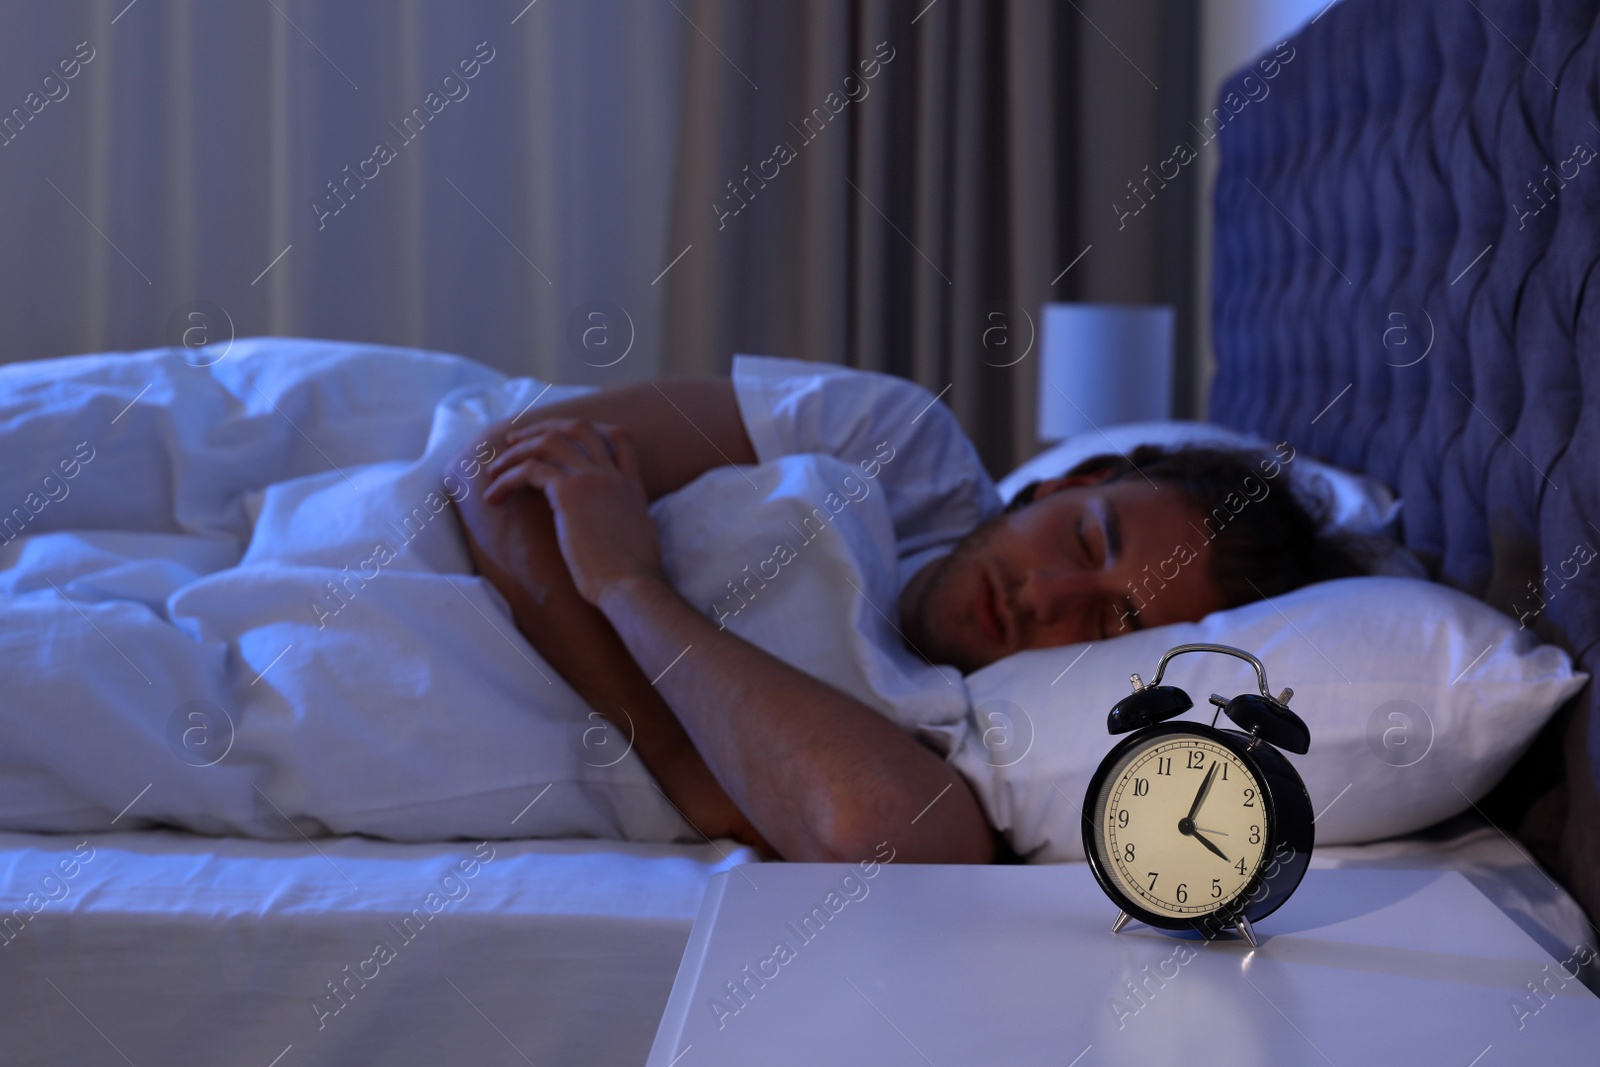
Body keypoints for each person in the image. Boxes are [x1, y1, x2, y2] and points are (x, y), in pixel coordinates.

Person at [448, 357, 1363, 866]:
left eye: (1113, 622)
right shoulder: (903, 446)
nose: (1043, 596)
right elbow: (500, 466)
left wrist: (630, 589)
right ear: (1065, 481)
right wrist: (685, 759)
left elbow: (873, 832)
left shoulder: (962, 741)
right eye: (1084, 541)